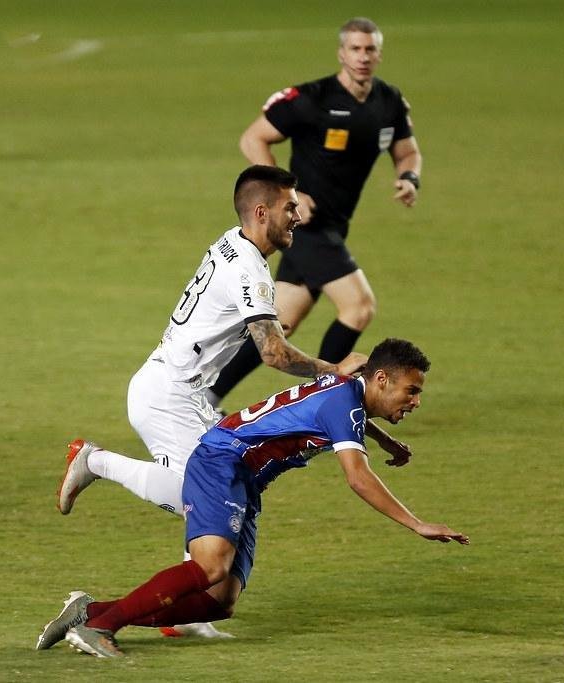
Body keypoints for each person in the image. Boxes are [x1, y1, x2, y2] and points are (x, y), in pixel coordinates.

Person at [47, 165, 407, 642]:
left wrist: (372, 425)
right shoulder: (249, 268)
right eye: (289, 207)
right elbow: (274, 353)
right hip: (170, 395)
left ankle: (180, 611)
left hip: (174, 389)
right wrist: (334, 368)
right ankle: (96, 462)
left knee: (215, 500)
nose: (299, 214)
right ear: (261, 212)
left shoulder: (236, 242)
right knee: (202, 499)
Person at [38, 338, 469, 658]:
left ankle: (91, 612)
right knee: (210, 566)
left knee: (219, 601)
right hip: (222, 460)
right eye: (411, 391)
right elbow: (358, 478)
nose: (415, 401)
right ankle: (102, 627)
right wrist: (418, 524)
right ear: (380, 379)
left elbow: (348, 415)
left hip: (244, 478)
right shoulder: (345, 401)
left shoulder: (347, 389)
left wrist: (387, 442)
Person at [206, 17, 422, 411]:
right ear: (341, 52)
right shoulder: (313, 99)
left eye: (369, 49)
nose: (362, 56)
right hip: (304, 227)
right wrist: (290, 195)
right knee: (359, 306)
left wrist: (409, 178)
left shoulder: (388, 102)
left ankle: (204, 397)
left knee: (278, 326)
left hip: (335, 227)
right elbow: (253, 137)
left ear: (379, 53)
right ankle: (327, 403)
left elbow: (407, 151)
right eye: (354, 49)